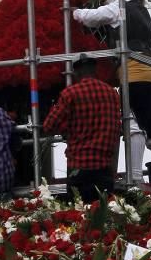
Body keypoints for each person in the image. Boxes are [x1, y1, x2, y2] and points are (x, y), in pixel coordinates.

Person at [72, 0, 151, 183]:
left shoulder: (118, 8)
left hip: (132, 72)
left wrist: (74, 12)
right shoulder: (141, 9)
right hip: (150, 71)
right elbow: (118, 16)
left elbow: (92, 18)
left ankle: (136, 178)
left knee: (133, 124)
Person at [42, 55, 122, 200]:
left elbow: (48, 126)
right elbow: (117, 126)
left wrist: (67, 128)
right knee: (104, 216)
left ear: (76, 73)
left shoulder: (70, 94)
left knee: (79, 216)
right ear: (95, 70)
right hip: (104, 168)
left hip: (78, 168)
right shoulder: (112, 93)